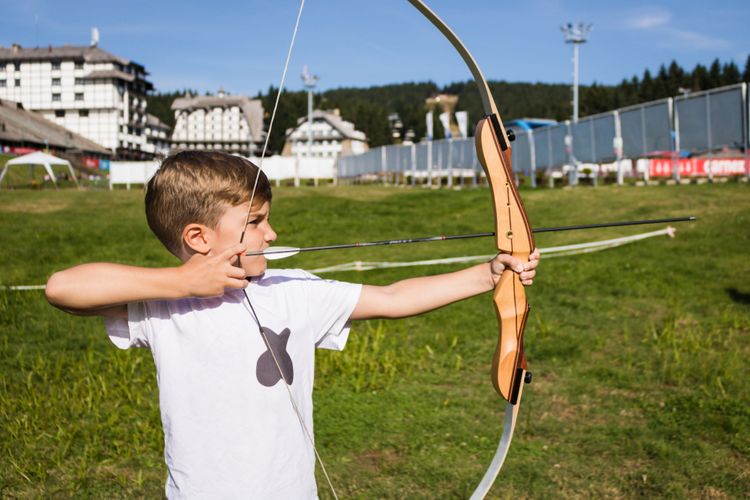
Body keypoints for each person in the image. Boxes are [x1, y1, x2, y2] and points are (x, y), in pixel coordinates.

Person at [45, 151, 539, 498]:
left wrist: (487, 274)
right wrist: (183, 283)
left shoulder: (291, 289)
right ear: (198, 237)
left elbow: (392, 298)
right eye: (256, 221)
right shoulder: (161, 306)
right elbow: (63, 288)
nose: (271, 232)